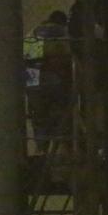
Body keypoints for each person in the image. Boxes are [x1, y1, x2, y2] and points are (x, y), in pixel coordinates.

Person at [23, 10, 72, 152]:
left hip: (33, 78)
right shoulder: (64, 32)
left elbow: (29, 61)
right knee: (60, 116)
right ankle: (61, 150)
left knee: (38, 117)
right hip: (57, 79)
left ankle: (41, 150)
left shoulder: (32, 33)